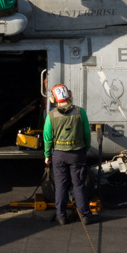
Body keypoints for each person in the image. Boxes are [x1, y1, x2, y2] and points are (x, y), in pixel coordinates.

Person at [43, 84, 93, 224]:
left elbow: (47, 138)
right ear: (69, 95)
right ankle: (85, 216)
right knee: (79, 185)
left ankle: (61, 216)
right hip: (77, 154)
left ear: (54, 99)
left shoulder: (51, 116)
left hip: (58, 155)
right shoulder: (80, 112)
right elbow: (87, 134)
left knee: (60, 185)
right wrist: (86, 148)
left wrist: (47, 155)